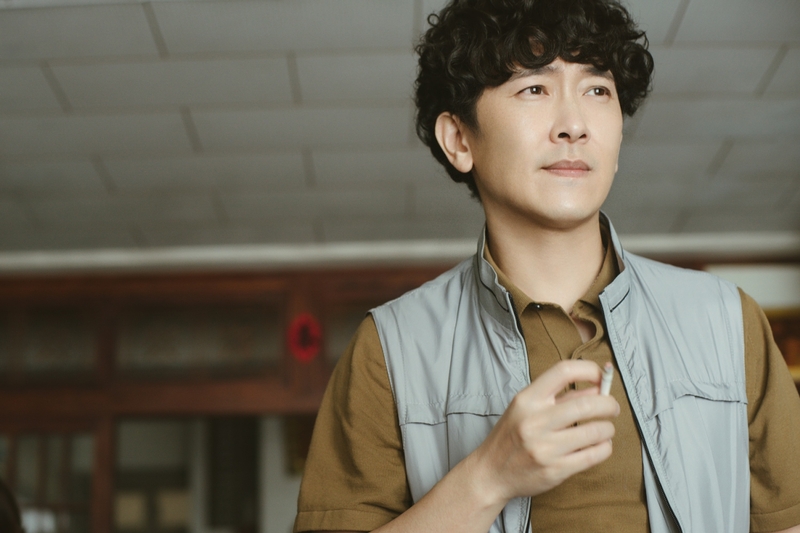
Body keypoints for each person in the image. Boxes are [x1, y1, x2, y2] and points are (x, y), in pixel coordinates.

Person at [294, 0, 800, 531]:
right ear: (459, 140)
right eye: (534, 88)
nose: (574, 125)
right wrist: (488, 477)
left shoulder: (727, 322)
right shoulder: (389, 350)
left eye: (597, 90)